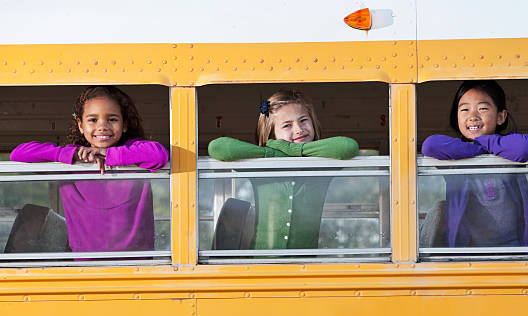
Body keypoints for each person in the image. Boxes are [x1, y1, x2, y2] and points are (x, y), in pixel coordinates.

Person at [10, 85, 169, 253]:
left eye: (112, 119)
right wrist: (74, 155)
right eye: (93, 120)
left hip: (139, 262)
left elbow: (159, 155)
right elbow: (18, 154)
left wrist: (109, 155)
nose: (102, 127)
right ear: (80, 125)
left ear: (124, 125)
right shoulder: (71, 161)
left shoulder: (132, 152)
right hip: (86, 264)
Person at [208, 90, 359, 249]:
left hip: (307, 265)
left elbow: (348, 147)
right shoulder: (262, 166)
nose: (299, 129)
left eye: (303, 120)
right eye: (287, 125)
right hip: (260, 263)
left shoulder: (323, 164)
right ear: (272, 134)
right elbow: (217, 148)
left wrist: (292, 149)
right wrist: (271, 152)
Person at [421, 80, 528, 248]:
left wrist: (483, 143)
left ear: (500, 117)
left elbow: (524, 148)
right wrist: (476, 148)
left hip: (514, 250)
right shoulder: (456, 155)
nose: (473, 116)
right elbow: (430, 146)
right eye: (464, 109)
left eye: (482, 108)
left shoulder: (506, 151)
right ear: (457, 117)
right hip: (468, 253)